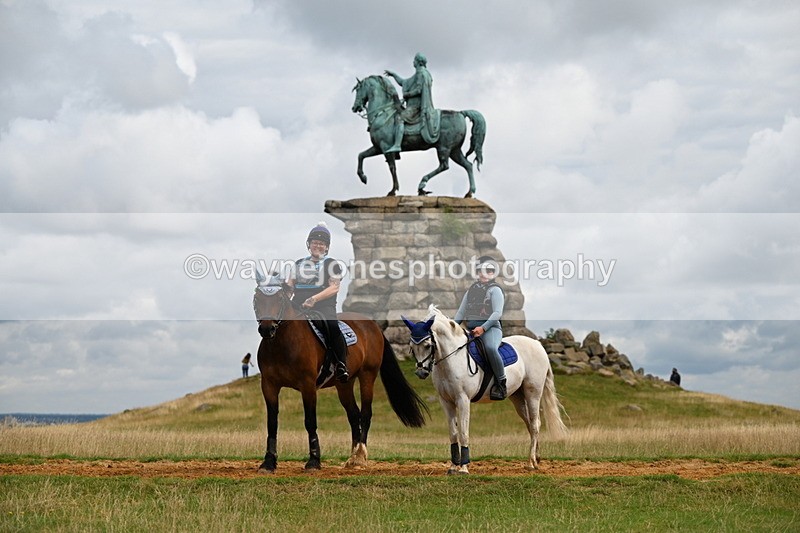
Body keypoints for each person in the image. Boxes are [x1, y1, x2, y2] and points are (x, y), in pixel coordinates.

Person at [286, 222, 349, 382]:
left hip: (323, 305)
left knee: (332, 326)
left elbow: (334, 288)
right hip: (298, 304)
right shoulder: (298, 263)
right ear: (309, 244)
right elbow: (290, 286)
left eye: (322, 244)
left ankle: (341, 364)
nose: (318, 246)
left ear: (327, 247)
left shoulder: (332, 264)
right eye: (315, 242)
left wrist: (314, 299)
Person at [453, 255, 506, 400]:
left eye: (488, 271)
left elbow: (497, 313)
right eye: (480, 270)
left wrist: (483, 328)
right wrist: (451, 327)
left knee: (490, 348)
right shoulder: (470, 291)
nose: (483, 273)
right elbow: (461, 312)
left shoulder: (495, 290)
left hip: (491, 329)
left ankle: (501, 383)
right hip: (471, 329)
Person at [384, 52, 441, 151]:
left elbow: (419, 90)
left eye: (414, 60)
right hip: (415, 106)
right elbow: (404, 82)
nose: (413, 62)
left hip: (416, 107)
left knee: (399, 118)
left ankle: (397, 145)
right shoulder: (423, 73)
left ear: (418, 62)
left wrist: (407, 94)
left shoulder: (421, 73)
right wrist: (394, 75)